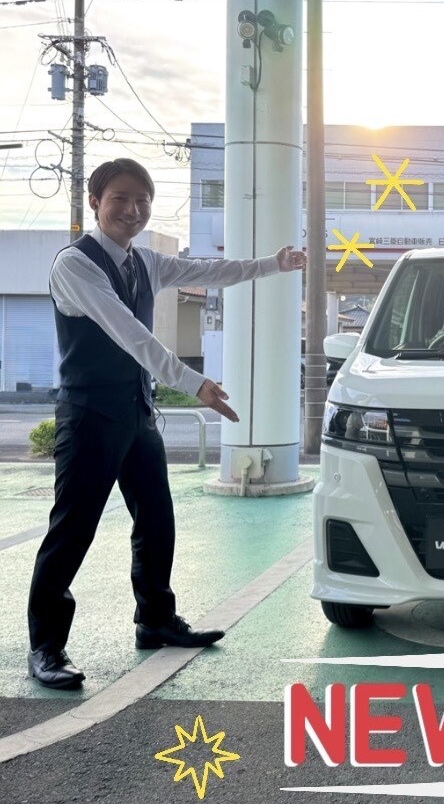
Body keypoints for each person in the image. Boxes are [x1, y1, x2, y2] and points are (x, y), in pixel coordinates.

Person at [28, 158, 306, 689]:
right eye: (120, 198)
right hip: (89, 415)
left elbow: (208, 271)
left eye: (142, 200)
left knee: (157, 519)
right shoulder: (76, 264)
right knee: (73, 529)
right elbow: (128, 332)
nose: (133, 210)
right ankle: (46, 646)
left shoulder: (145, 261)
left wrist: (272, 264)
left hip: (135, 411)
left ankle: (155, 619)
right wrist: (191, 381)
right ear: (95, 202)